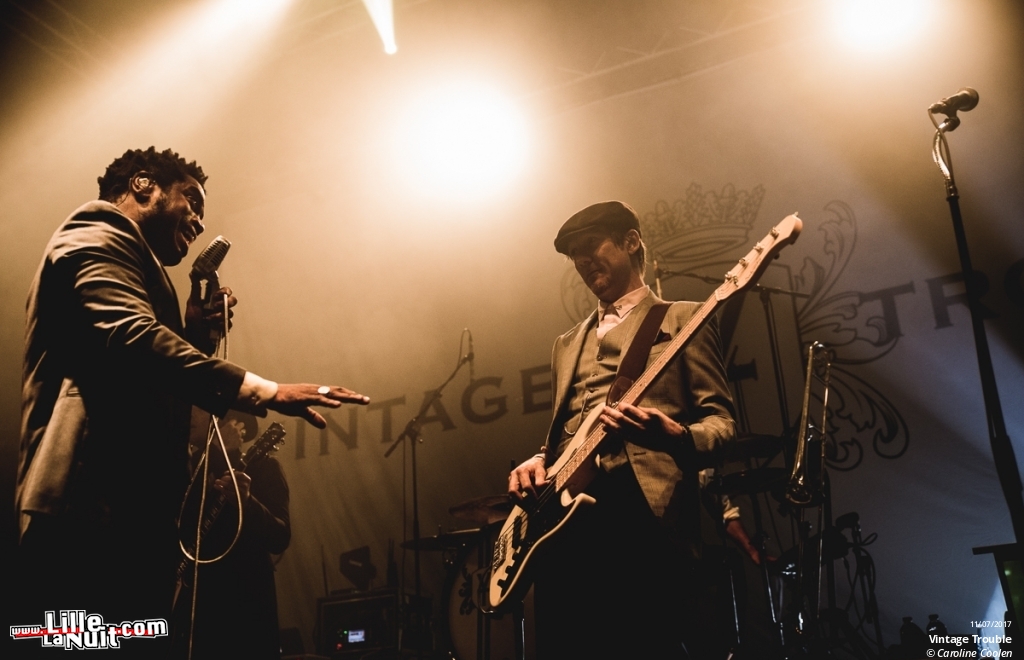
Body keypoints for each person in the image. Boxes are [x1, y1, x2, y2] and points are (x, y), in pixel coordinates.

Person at [14, 147, 369, 657]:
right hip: (87, 519)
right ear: (142, 185)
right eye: (192, 200)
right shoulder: (97, 229)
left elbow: (134, 377)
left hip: (127, 522)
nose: (200, 221)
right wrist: (266, 390)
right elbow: (130, 337)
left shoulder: (133, 262)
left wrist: (195, 338)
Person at [507, 200, 737, 659]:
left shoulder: (681, 319)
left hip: (643, 514)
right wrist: (536, 461)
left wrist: (675, 436)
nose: (583, 260)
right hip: (563, 523)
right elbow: (562, 433)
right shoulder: (565, 344)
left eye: (591, 244)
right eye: (574, 254)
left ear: (631, 241)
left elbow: (723, 425)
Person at [177, 411, 290, 660]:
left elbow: (280, 536)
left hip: (243, 604)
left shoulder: (264, 467)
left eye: (199, 409)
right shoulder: (188, 469)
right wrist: (215, 456)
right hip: (194, 605)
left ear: (226, 422)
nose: (190, 414)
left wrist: (248, 502)